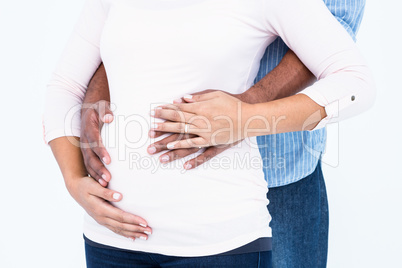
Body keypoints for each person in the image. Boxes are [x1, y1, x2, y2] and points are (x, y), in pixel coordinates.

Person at [43, 0, 375, 267]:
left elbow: (352, 79)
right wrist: (74, 180)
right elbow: (66, 85)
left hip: (222, 236)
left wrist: (246, 116)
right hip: (109, 239)